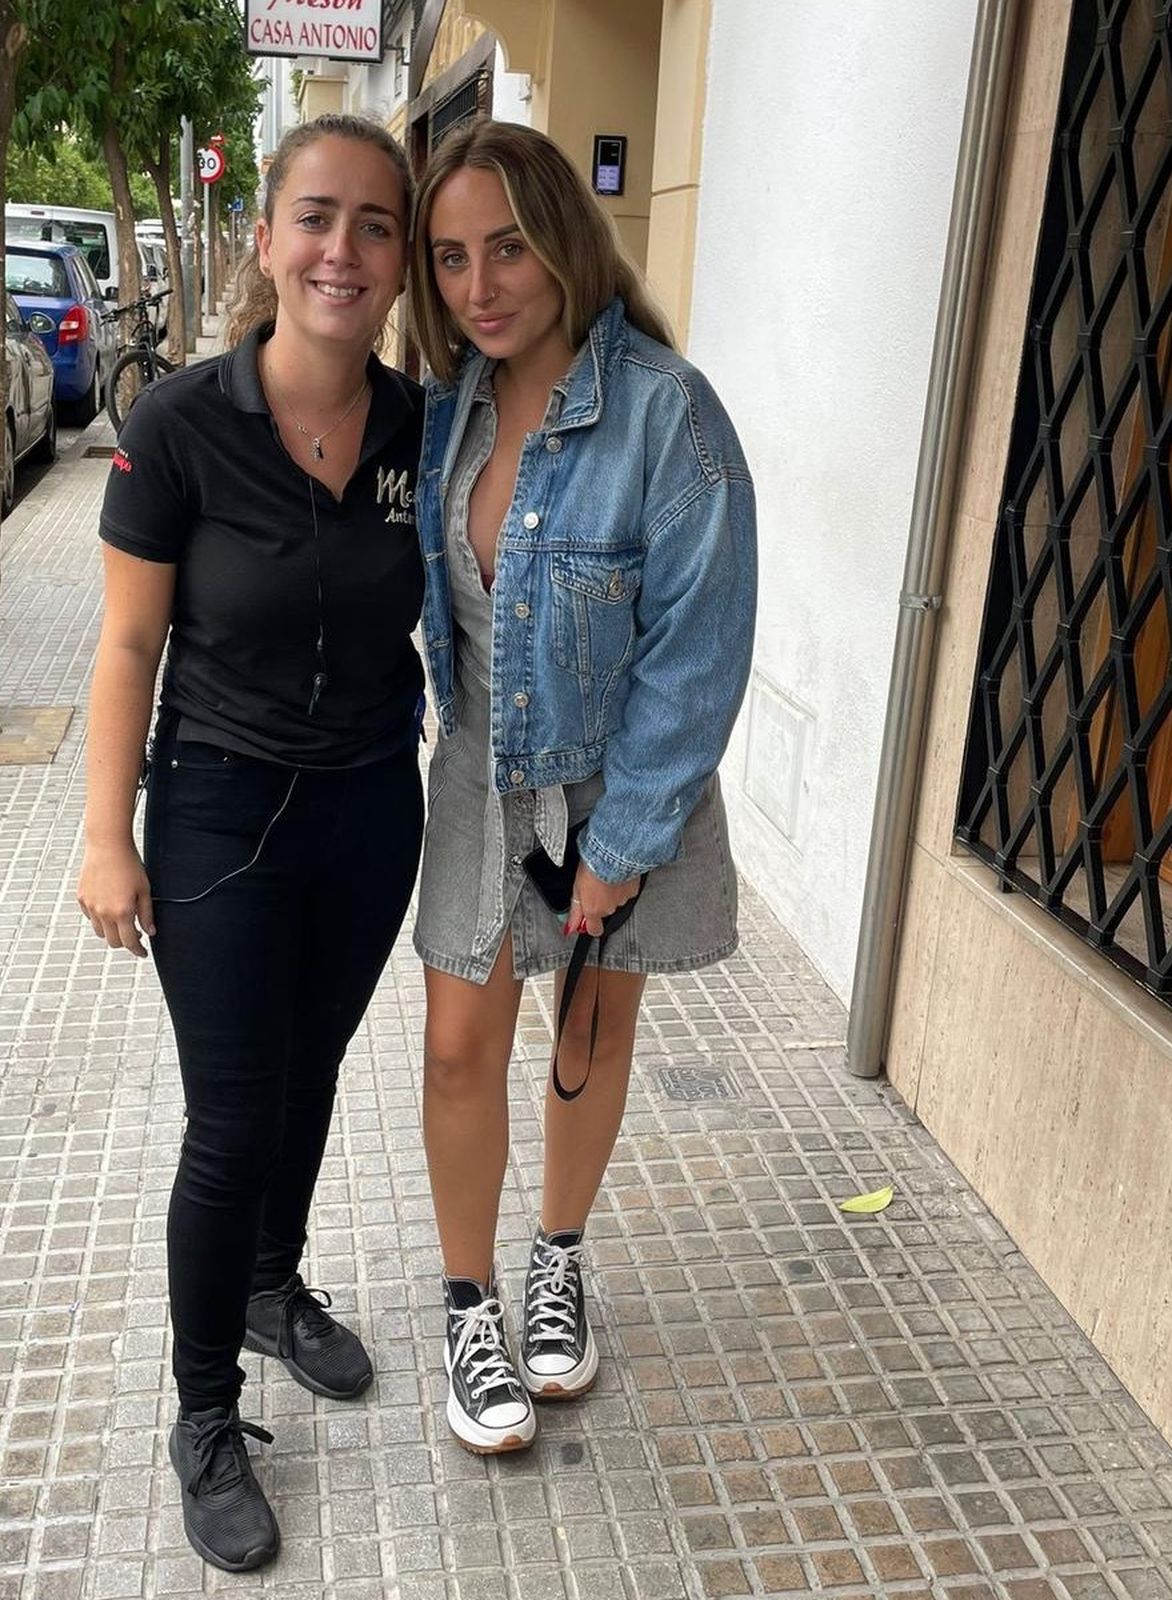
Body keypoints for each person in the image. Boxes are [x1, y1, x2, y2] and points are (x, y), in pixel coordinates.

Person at [76, 114, 424, 1572]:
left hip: (367, 814)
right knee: (231, 1120)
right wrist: (108, 835)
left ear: (399, 262)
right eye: (318, 218)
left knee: (316, 1070)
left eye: (375, 226)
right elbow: (126, 640)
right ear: (271, 239)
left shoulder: (421, 425)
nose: (343, 250)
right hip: (216, 810)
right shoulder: (177, 426)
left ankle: (276, 1287)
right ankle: (205, 1413)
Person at [409, 120, 758, 1455]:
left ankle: (557, 1259)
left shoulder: (667, 411)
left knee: (589, 1035)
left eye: (506, 246)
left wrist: (625, 842)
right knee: (457, 1047)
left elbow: (701, 644)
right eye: (450, 258)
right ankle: (468, 1301)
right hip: (478, 785)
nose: (480, 284)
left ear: (563, 239)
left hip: (621, 785)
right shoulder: (446, 414)